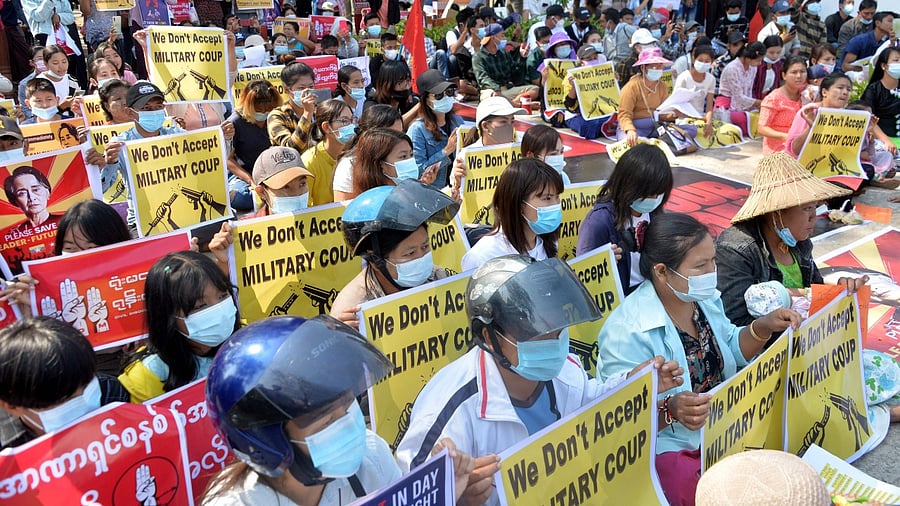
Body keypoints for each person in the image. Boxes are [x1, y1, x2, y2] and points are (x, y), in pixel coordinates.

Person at [397, 254, 684, 505]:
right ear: (488, 337)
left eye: (557, 331)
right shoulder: (452, 408)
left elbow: (593, 403)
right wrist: (457, 496)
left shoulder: (564, 368)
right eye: (535, 334)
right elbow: (410, 491)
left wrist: (638, 383)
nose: (554, 342)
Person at [598, 212, 802, 504]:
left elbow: (730, 347)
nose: (712, 272)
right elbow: (616, 418)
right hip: (671, 446)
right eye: (700, 266)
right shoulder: (625, 331)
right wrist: (670, 410)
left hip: (726, 425)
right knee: (692, 484)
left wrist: (762, 327)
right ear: (662, 272)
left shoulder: (702, 299)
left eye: (713, 261)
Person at [202, 315, 474, 505]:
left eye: (348, 405)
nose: (348, 424)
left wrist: (443, 493)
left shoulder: (372, 458)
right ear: (267, 443)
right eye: (325, 421)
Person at [715, 152, 866, 328]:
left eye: (815, 207)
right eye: (807, 208)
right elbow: (734, 322)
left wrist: (838, 288)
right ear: (777, 212)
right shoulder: (736, 249)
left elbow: (812, 289)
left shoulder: (798, 241)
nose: (813, 217)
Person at [330, 180, 459, 326]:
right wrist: (346, 336)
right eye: (410, 253)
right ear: (375, 260)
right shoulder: (353, 310)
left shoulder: (440, 278)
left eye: (425, 247)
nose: (421, 257)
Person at [119, 251, 239, 403]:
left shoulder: (247, 340)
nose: (219, 311)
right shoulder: (147, 376)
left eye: (222, 296)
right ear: (167, 316)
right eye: (200, 306)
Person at [0, 317, 130, 450]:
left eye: (87, 385)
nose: (84, 401)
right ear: (11, 406)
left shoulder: (111, 392)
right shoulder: (6, 453)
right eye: (64, 400)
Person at [577, 144, 673, 294]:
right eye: (648, 193)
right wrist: (602, 264)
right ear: (628, 186)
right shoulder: (599, 222)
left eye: (659, 193)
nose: (654, 199)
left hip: (650, 291)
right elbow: (583, 276)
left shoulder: (657, 215)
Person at [461, 158, 563, 271]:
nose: (555, 205)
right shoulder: (484, 257)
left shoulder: (547, 243)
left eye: (557, 197)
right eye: (547, 198)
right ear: (519, 203)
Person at [227, 79, 282, 211]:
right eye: (258, 110)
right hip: (245, 174)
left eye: (268, 110)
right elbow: (229, 160)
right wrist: (250, 180)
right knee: (239, 198)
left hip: (273, 172)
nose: (263, 113)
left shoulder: (278, 117)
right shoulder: (235, 122)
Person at [332, 105, 403, 201]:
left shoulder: (403, 158)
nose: (398, 141)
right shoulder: (349, 165)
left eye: (401, 134)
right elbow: (342, 208)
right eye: (391, 135)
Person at [407, 70, 463, 190]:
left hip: (458, 189)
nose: (445, 98)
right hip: (435, 192)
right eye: (438, 95)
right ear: (427, 101)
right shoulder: (417, 130)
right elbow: (418, 171)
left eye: (449, 92)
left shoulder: (457, 121)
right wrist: (446, 151)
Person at [617, 47, 683, 146]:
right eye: (654, 67)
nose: (658, 70)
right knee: (631, 143)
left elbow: (663, 112)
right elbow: (624, 114)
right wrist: (630, 130)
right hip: (635, 126)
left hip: (656, 125)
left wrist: (675, 114)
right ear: (643, 68)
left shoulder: (662, 86)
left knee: (690, 131)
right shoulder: (631, 87)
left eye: (660, 66)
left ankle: (653, 142)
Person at [786, 72, 853, 157]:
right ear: (824, 92)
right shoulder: (809, 111)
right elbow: (794, 151)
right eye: (840, 88)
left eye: (849, 89)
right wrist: (811, 128)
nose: (845, 92)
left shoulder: (849, 117)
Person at [301, 100, 353, 207]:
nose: (350, 126)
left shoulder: (355, 155)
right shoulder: (309, 162)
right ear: (326, 127)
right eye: (344, 121)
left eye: (352, 120)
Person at [472, 22, 539, 105]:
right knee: (493, 95)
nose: (505, 38)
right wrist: (496, 89)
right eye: (502, 35)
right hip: (491, 91)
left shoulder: (504, 53)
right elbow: (483, 79)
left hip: (507, 90)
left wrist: (522, 58)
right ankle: (516, 104)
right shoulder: (478, 57)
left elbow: (516, 75)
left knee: (535, 89)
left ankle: (513, 104)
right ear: (493, 38)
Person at [758, 56, 808, 154]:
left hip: (801, 147)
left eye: (802, 72)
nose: (799, 76)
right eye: (794, 72)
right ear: (784, 75)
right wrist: (787, 137)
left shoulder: (806, 95)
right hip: (778, 150)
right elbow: (762, 128)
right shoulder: (773, 98)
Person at [716, 41, 765, 136]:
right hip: (727, 102)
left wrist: (753, 106)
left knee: (760, 116)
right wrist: (758, 103)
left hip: (745, 103)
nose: (759, 64)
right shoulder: (732, 68)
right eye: (758, 60)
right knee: (741, 118)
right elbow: (738, 97)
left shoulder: (753, 67)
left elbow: (749, 90)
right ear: (748, 57)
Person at [268, 62, 317, 153]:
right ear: (287, 90)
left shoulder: (320, 110)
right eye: (301, 88)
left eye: (311, 87)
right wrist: (307, 114)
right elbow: (291, 149)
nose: (307, 92)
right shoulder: (277, 116)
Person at [861, 46, 900, 153]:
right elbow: (868, 118)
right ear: (884, 66)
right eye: (896, 60)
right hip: (883, 141)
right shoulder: (873, 90)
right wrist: (886, 141)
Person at [674, 44, 716, 136]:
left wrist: (708, 123)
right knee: (692, 132)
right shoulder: (684, 78)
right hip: (684, 119)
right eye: (700, 60)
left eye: (707, 61)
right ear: (694, 59)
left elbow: (709, 107)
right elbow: (677, 107)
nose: (703, 63)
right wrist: (698, 118)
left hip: (701, 117)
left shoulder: (711, 79)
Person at [368, 60, 419, 129]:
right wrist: (418, 107)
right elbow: (389, 128)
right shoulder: (372, 105)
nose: (406, 86)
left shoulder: (410, 101)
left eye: (408, 81)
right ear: (387, 84)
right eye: (400, 83)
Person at [754, 35, 785, 99]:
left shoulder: (778, 65)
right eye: (771, 52)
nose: (775, 56)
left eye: (778, 52)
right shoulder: (757, 65)